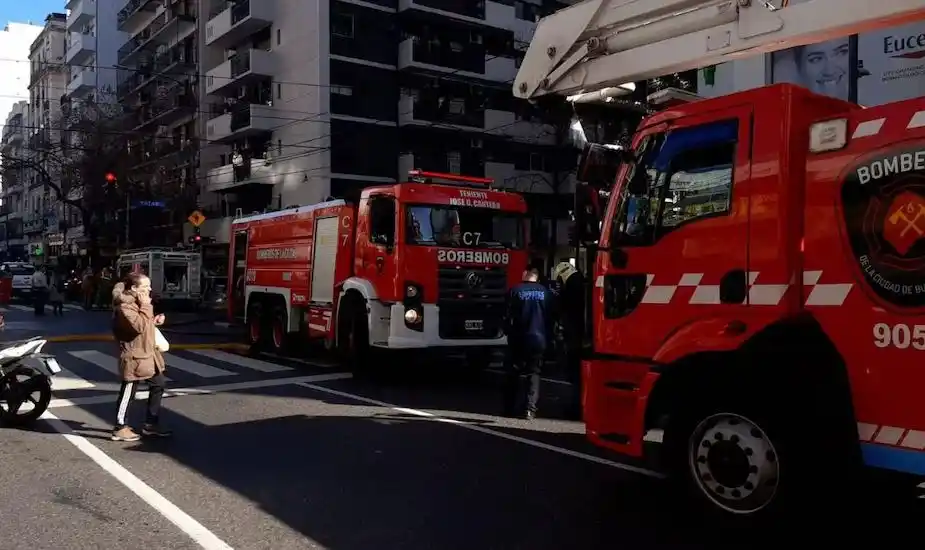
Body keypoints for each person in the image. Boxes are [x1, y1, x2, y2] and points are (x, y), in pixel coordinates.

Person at [111, 273, 171, 441]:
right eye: (145, 287)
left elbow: (144, 323)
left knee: (159, 384)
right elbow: (138, 326)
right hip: (134, 356)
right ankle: (120, 426)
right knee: (128, 391)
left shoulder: (137, 303)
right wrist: (146, 306)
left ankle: (151, 424)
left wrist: (154, 320)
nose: (149, 290)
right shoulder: (124, 307)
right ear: (134, 289)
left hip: (148, 354)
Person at [503, 267, 555, 420]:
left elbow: (507, 315)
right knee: (533, 373)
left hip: (519, 338)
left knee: (513, 373)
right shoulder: (546, 293)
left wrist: (507, 332)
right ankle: (529, 409)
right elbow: (552, 317)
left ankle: (510, 408)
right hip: (539, 339)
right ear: (537, 278)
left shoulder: (515, 290)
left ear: (524, 275)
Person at [552, 262, 586, 420]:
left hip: (574, 337)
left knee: (574, 375)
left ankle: (575, 407)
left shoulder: (572, 287)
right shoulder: (582, 282)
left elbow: (562, 308)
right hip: (582, 336)